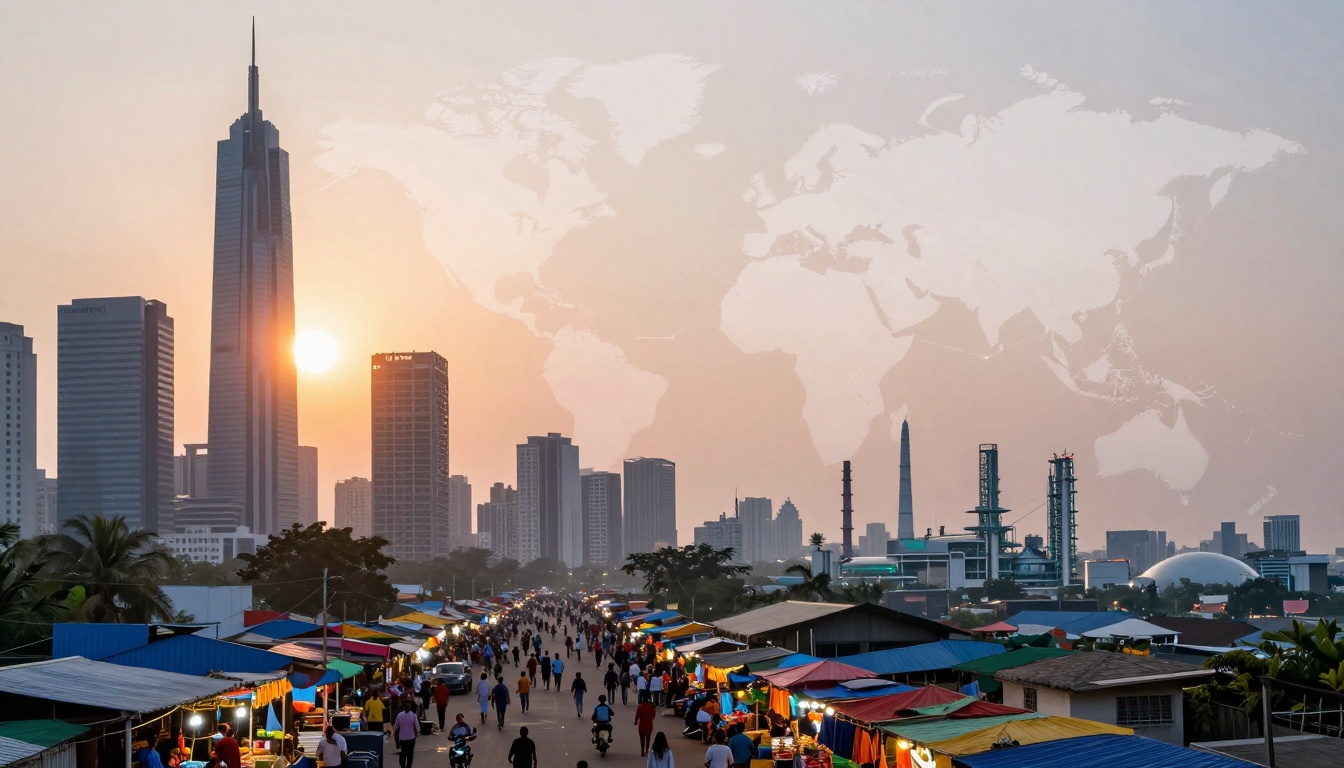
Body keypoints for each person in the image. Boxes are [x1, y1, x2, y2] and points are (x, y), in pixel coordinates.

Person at [393, 701, 421, 768]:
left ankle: (402, 765)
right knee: (410, 754)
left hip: (402, 738)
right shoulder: (413, 716)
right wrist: (417, 732)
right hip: (411, 738)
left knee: (403, 752)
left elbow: (396, 727)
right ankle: (408, 766)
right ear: (410, 707)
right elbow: (418, 728)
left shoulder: (399, 715)